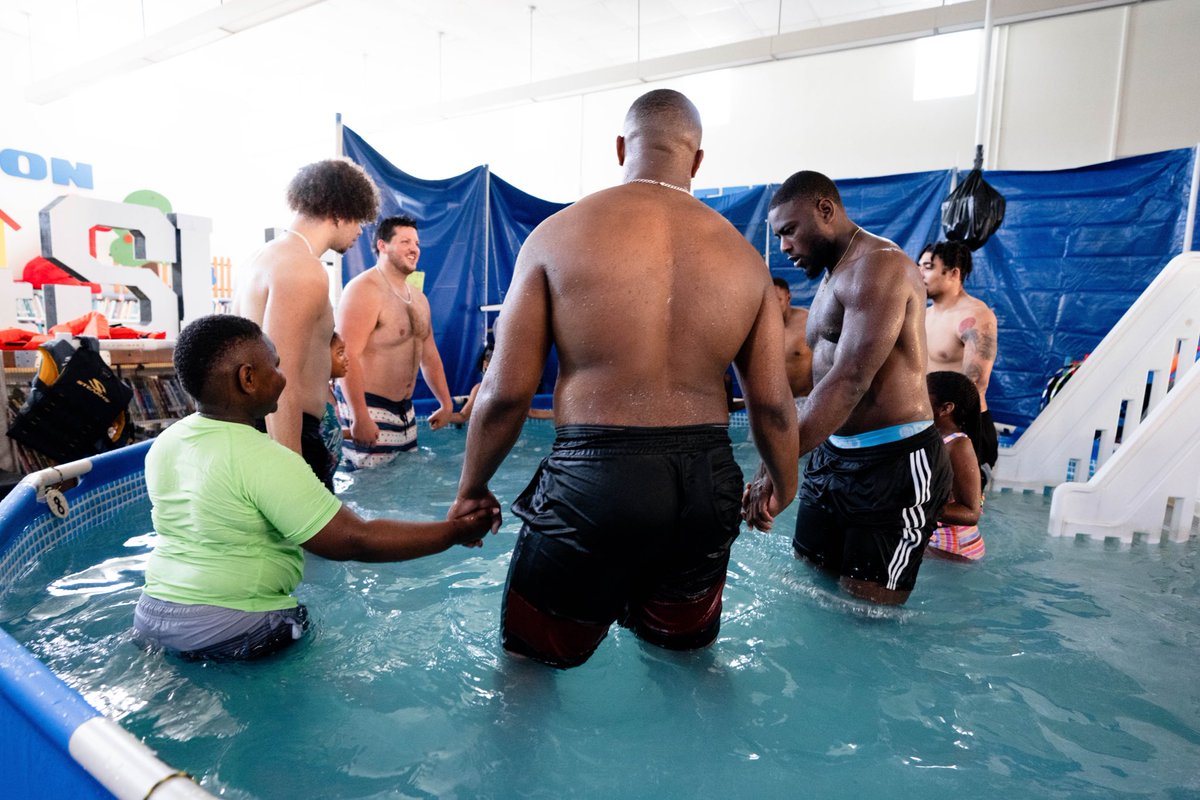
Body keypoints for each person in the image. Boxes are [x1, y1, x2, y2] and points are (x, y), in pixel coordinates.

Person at [448, 89, 798, 669]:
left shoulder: (556, 237)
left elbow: (505, 393)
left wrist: (471, 487)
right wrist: (780, 486)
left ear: (620, 148)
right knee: (685, 664)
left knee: (530, 671)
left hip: (595, 481)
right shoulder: (745, 260)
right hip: (706, 487)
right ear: (697, 160)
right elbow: (775, 407)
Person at [132, 315, 497, 661]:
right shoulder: (263, 457)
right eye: (274, 366)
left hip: (151, 618)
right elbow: (356, 540)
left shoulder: (167, 443)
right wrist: (455, 531)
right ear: (248, 379)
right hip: (235, 629)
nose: (283, 377)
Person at [744, 170, 952, 606]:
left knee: (867, 617)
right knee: (808, 591)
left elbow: (850, 379)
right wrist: (771, 464)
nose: (783, 247)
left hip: (893, 464)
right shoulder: (831, 276)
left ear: (825, 210)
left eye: (789, 231)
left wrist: (778, 463)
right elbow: (822, 385)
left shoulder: (880, 266)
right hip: (831, 455)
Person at [232, 158, 380, 484]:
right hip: (287, 436)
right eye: (358, 219)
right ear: (339, 212)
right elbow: (279, 377)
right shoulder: (303, 269)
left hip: (253, 432)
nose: (359, 230)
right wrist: (293, 475)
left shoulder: (261, 258)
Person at [334, 215, 454, 469]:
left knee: (402, 487)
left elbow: (429, 355)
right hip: (369, 407)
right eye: (405, 241)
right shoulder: (364, 290)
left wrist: (445, 402)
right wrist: (359, 416)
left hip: (405, 412)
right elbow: (347, 355)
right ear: (382, 245)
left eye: (417, 243)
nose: (414, 249)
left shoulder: (419, 298)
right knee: (369, 492)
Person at [920, 241, 999, 485]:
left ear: (954, 273)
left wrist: (953, 441)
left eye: (928, 267)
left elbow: (975, 385)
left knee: (959, 515)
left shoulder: (975, 315)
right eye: (918, 266)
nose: (919, 273)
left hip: (962, 426)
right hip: (926, 422)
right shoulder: (923, 314)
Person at [925, 371, 985, 561]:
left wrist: (910, 506)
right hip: (934, 540)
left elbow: (971, 513)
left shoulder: (958, 445)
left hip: (953, 549)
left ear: (946, 408)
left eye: (920, 395)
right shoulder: (932, 439)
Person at [450, 346, 553, 425]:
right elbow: (462, 417)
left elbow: (531, 413)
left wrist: (558, 414)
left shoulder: (511, 389)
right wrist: (444, 416)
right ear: (485, 364)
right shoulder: (479, 389)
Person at [318, 330, 351, 488]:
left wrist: (351, 434)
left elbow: (328, 432)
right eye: (340, 353)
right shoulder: (315, 396)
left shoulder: (329, 389)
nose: (346, 358)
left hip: (328, 477)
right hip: (318, 479)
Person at [772, 277, 813, 400]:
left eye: (778, 300)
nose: (773, 306)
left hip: (805, 401)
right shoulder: (761, 327)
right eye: (769, 301)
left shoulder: (809, 322)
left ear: (788, 298)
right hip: (776, 405)